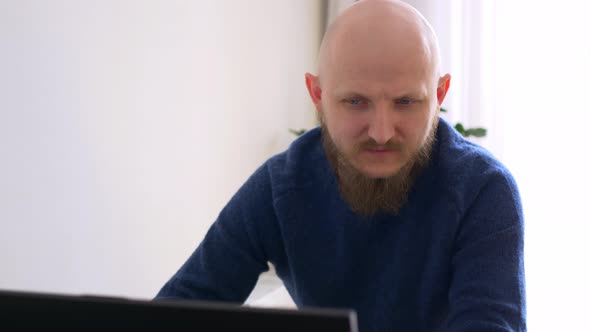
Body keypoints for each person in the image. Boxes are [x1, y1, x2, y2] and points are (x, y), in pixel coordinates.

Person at [155, 0, 526, 331]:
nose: (381, 132)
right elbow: (179, 310)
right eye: (355, 101)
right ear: (317, 94)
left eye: (406, 102)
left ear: (439, 95)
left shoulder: (483, 190)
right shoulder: (279, 188)